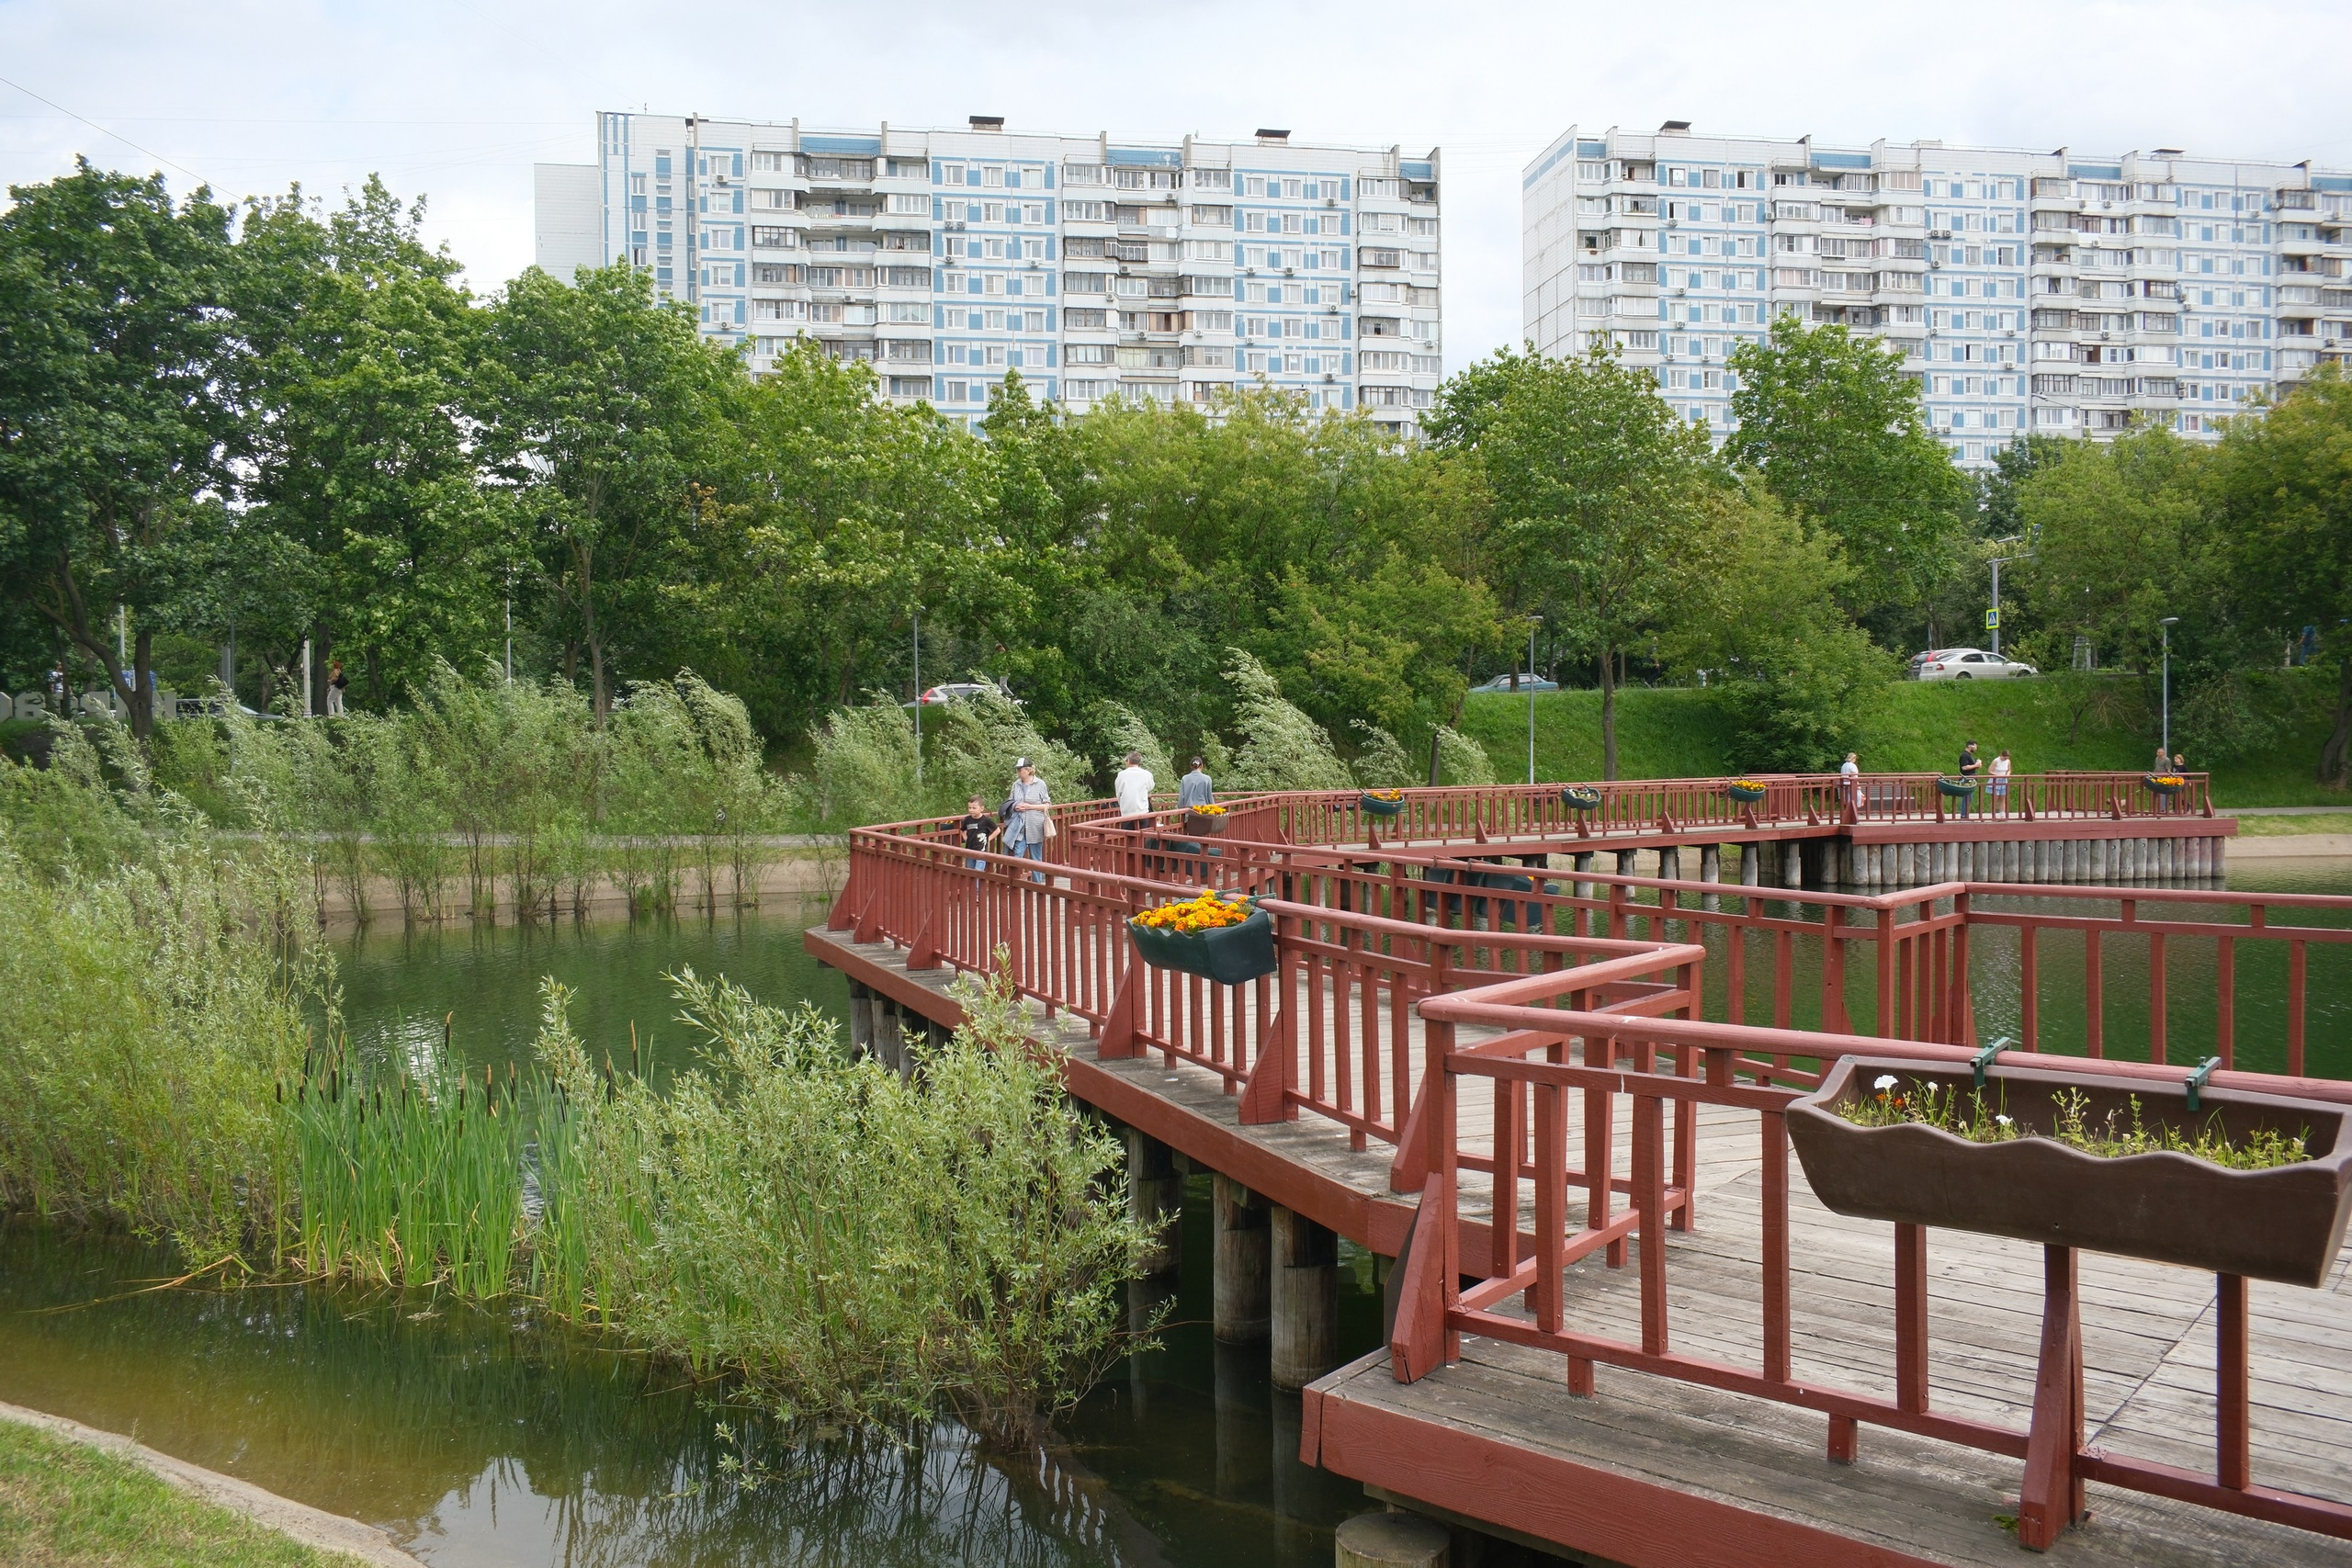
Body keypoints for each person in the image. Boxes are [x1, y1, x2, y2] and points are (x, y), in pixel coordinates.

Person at [1005, 758, 1052, 881]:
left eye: (1020, 770)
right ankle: (1014, 883)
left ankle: (1037, 885)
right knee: (1017, 855)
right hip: (1019, 826)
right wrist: (1016, 806)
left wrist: (1029, 807)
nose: (1018, 773)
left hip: (1035, 826)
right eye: (1018, 770)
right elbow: (1010, 802)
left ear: (1029, 770)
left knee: (1035, 857)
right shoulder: (1016, 784)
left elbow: (1047, 805)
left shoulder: (1040, 784)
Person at [956, 795, 995, 872]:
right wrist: (965, 838)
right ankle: (973, 884)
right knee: (971, 872)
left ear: (981, 808)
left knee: (978, 871)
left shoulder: (986, 821)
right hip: (970, 850)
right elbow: (962, 830)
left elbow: (997, 830)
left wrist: (988, 839)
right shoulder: (967, 819)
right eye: (970, 808)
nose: (971, 810)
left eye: (974, 808)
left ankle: (977, 884)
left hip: (981, 851)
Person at [1114, 750, 1155, 822]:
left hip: (1127, 813)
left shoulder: (1121, 775)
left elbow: (1118, 793)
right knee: (1143, 833)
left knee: (1128, 833)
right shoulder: (1147, 774)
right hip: (1143, 812)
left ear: (1128, 761)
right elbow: (1151, 787)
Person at [1955, 740, 1981, 818]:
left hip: (1971, 779)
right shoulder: (1964, 755)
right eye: (1975, 746)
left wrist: (1977, 764)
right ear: (1970, 746)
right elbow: (1964, 767)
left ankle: (1965, 814)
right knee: (1966, 798)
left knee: (1969, 798)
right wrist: (1976, 765)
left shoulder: (1969, 755)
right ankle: (1964, 815)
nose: (1976, 748)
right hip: (1967, 779)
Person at [1989, 749, 2012, 818]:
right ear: (2001, 755)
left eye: (2007, 758)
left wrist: (2007, 774)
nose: (2005, 759)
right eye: (2004, 758)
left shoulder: (2008, 761)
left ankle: (2002, 814)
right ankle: (1993, 814)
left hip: (2003, 780)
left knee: (2002, 798)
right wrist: (1997, 775)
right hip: (1996, 780)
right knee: (1995, 798)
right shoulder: (1996, 761)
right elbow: (1990, 771)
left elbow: (2009, 769)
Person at [1839, 751, 1860, 818]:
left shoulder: (1844, 765)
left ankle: (1848, 812)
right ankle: (1854, 812)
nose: (1855, 760)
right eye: (1855, 758)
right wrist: (1857, 784)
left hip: (1844, 784)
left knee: (1848, 798)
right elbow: (1854, 776)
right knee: (1857, 797)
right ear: (1853, 758)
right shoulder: (1852, 766)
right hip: (1851, 784)